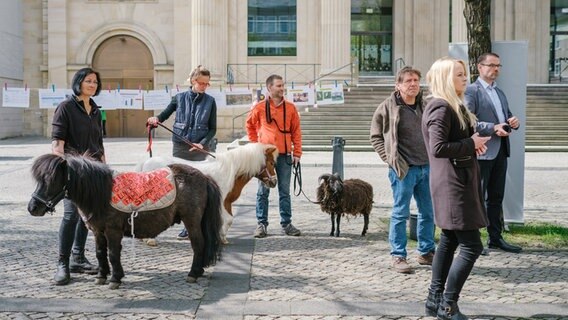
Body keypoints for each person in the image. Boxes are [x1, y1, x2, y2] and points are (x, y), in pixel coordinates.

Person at [422, 57, 490, 319]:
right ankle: (448, 305)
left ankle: (434, 300)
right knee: (472, 246)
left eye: (464, 74)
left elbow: (456, 141)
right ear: (446, 78)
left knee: (449, 241)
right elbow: (437, 148)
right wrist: (470, 144)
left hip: (456, 181)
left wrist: (472, 142)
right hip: (453, 185)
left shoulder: (453, 105)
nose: (465, 78)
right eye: (459, 75)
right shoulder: (441, 107)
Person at [370, 66, 436, 274]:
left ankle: (426, 252)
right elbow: (375, 136)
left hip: (427, 167)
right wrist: (390, 159)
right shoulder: (387, 107)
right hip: (404, 169)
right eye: (408, 80)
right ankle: (398, 255)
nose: (413, 84)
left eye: (416, 80)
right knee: (401, 212)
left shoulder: (425, 106)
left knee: (428, 212)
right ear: (397, 85)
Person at [147, 65, 217, 241]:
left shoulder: (210, 101)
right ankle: (185, 224)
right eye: (202, 83)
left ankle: (198, 226)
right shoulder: (179, 98)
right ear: (193, 81)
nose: (204, 87)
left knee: (199, 189)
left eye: (207, 84)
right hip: (180, 147)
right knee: (180, 187)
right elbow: (163, 115)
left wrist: (202, 143)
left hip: (200, 149)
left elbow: (213, 129)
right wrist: (155, 119)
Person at [51, 67, 105, 285]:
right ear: (78, 82)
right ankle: (62, 264)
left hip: (93, 174)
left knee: (87, 217)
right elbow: (57, 145)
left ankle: (78, 257)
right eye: (88, 81)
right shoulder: (65, 107)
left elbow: (99, 144)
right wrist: (65, 170)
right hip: (73, 173)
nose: (92, 84)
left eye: (95, 82)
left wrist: (104, 169)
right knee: (71, 216)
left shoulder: (95, 109)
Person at [465, 52, 522, 254]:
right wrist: (492, 128)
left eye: (498, 65)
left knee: (496, 197)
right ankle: (474, 241)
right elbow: (468, 121)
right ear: (480, 67)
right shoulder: (472, 91)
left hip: (500, 151)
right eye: (491, 65)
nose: (495, 69)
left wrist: (512, 121)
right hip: (482, 151)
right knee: (477, 197)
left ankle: (495, 238)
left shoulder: (499, 92)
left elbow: (505, 117)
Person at [246, 74, 302, 238]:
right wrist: (255, 144)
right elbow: (249, 125)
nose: (282, 88)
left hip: (285, 155)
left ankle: (286, 223)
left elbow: (296, 132)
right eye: (278, 85)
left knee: (284, 191)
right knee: (263, 192)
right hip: (266, 157)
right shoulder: (260, 107)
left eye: (282, 85)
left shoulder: (291, 108)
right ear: (269, 88)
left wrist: (297, 152)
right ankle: (261, 224)